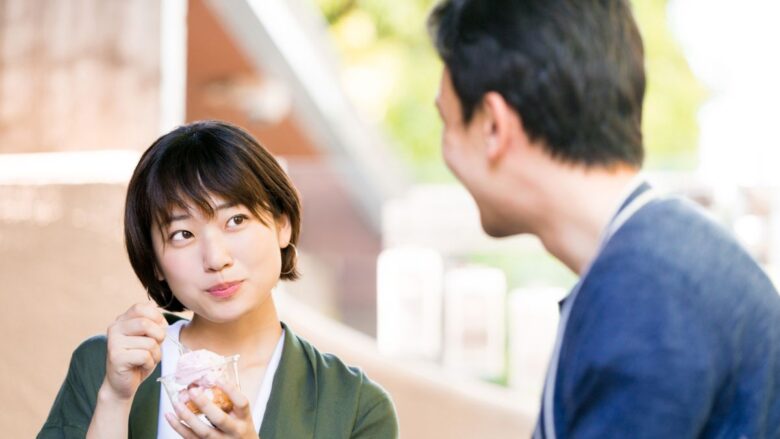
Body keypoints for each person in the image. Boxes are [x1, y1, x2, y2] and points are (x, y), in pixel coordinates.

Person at [428, 0, 780, 437]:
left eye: (446, 122)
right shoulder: (662, 262)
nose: (444, 152)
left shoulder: (649, 288)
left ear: (494, 127)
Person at [38, 120, 399, 438]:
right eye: (182, 234)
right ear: (156, 262)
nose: (215, 258)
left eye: (236, 221)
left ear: (282, 224)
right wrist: (114, 401)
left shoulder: (355, 407)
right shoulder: (104, 365)